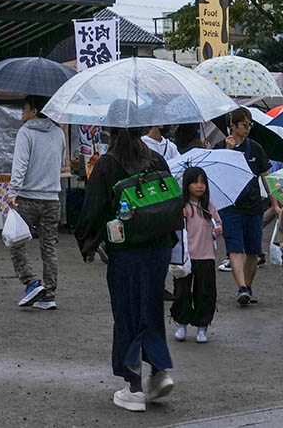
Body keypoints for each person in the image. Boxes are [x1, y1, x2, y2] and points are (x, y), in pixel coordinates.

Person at [76, 116, 175, 413]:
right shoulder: (155, 159)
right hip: (159, 247)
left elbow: (93, 209)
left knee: (128, 312)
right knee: (151, 308)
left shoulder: (108, 163)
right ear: (142, 128)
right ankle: (159, 370)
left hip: (127, 249)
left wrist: (88, 245)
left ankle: (134, 387)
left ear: (111, 129)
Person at [6, 95, 65, 310]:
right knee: (48, 246)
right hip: (52, 198)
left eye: (25, 108)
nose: (22, 112)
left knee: (15, 241)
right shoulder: (59, 132)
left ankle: (31, 282)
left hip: (28, 197)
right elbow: (60, 161)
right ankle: (49, 295)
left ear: (35, 111)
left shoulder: (26, 132)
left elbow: (20, 164)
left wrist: (13, 191)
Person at [219, 107, 271, 305]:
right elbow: (218, 174)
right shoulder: (220, 148)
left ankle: (247, 287)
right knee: (234, 249)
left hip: (253, 207)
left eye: (250, 125)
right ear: (232, 126)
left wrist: (275, 201)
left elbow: (265, 176)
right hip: (230, 207)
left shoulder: (255, 148)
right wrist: (228, 152)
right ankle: (241, 287)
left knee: (253, 252)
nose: (248, 128)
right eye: (244, 125)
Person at [171, 166, 222, 343]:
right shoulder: (181, 207)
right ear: (187, 185)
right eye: (195, 182)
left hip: (205, 256)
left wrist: (218, 229)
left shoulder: (209, 207)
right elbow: (171, 228)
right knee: (182, 292)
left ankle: (202, 327)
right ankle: (182, 324)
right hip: (184, 257)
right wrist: (179, 216)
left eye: (202, 182)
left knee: (205, 292)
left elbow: (217, 225)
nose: (199, 186)